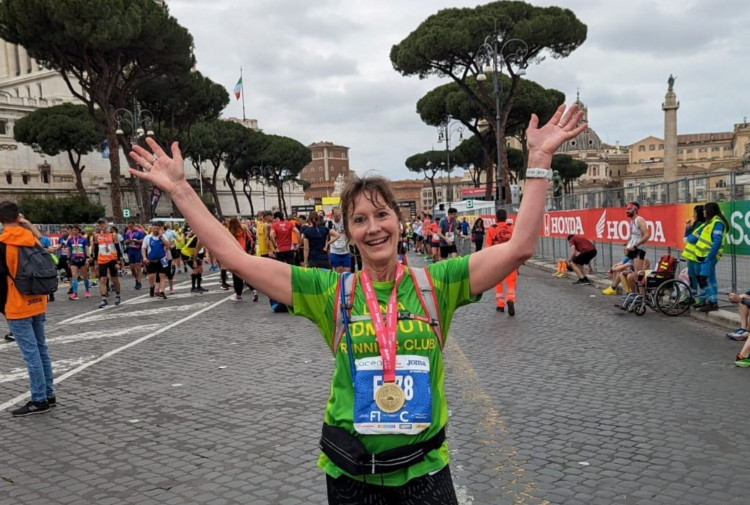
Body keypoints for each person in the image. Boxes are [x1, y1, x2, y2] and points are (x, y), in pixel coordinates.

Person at [129, 103, 585, 503]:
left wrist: (539, 161)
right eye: (360, 220)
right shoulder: (330, 291)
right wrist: (181, 191)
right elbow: (234, 257)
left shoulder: (437, 284)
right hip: (350, 477)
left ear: (399, 221)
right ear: (348, 233)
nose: (374, 228)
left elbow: (520, 247)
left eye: (382, 214)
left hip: (425, 473)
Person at [0, 202, 54, 416]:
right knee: (41, 349)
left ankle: (39, 399)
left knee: (31, 354)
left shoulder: (3, 242)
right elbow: (46, 244)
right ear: (17, 217)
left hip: (17, 302)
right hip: (38, 299)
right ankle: (49, 394)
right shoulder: (30, 238)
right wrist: (28, 224)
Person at [694, 202, 728, 312]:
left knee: (706, 279)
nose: (703, 212)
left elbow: (717, 242)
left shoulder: (717, 223)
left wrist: (709, 257)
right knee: (708, 279)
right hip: (705, 256)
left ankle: (712, 302)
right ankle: (711, 301)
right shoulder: (711, 222)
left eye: (705, 210)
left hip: (709, 256)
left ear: (710, 211)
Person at [485, 208, 516, 315]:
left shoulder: (491, 229)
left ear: (496, 218)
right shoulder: (512, 227)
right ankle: (510, 299)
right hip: (511, 259)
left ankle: (500, 305)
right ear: (506, 217)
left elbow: (488, 246)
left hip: (497, 259)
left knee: (498, 282)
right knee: (511, 283)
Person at [93, 218, 122, 308]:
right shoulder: (97, 236)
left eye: (104, 224)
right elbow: (96, 249)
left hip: (112, 259)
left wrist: (118, 261)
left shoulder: (113, 235)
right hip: (102, 260)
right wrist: (96, 261)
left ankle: (117, 295)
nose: (102, 226)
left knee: (115, 279)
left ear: (107, 224)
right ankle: (103, 299)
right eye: (100, 224)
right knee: (102, 279)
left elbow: (117, 248)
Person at [624, 202, 651, 293]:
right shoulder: (632, 221)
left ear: (635, 210)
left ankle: (643, 295)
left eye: (629, 209)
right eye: (626, 209)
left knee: (639, 274)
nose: (626, 211)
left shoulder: (640, 220)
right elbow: (632, 236)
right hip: (633, 249)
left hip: (639, 249)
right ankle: (635, 294)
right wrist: (627, 245)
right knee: (632, 275)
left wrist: (635, 246)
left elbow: (646, 235)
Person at [681, 205, 706, 301]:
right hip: (692, 255)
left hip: (698, 255)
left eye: (695, 213)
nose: (693, 215)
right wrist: (687, 228)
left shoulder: (701, 225)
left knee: (699, 277)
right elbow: (686, 238)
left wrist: (688, 236)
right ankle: (692, 295)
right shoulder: (695, 224)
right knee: (692, 276)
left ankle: (702, 298)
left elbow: (691, 239)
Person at [142, 222, 171, 299]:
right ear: (152, 228)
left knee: (163, 275)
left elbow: (169, 245)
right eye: (154, 228)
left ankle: (162, 291)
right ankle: (152, 287)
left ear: (160, 229)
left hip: (162, 259)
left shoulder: (163, 237)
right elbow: (143, 248)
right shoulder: (147, 237)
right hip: (151, 259)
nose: (156, 230)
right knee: (151, 276)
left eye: (157, 228)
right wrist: (144, 257)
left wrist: (161, 237)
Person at [66, 224, 91, 300]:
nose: (74, 232)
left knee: (84, 276)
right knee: (74, 275)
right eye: (73, 230)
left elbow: (87, 249)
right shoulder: (70, 240)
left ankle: (87, 291)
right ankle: (75, 293)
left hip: (82, 259)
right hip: (73, 259)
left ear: (79, 231)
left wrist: (87, 258)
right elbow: (69, 250)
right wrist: (68, 260)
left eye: (76, 230)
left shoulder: (84, 239)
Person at [328, 207, 351, 274]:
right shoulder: (329, 223)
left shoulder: (345, 223)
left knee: (347, 272)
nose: (338, 217)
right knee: (338, 273)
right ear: (333, 215)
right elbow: (327, 236)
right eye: (336, 216)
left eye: (339, 216)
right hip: (335, 251)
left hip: (345, 251)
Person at [124, 221, 145, 290]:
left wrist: (135, 241)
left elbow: (143, 240)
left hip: (137, 250)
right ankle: (136, 279)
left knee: (138, 266)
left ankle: (139, 282)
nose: (130, 228)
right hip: (130, 250)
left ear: (134, 225)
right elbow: (125, 241)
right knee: (132, 268)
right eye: (129, 226)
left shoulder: (139, 231)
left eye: (131, 226)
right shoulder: (128, 232)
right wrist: (129, 241)